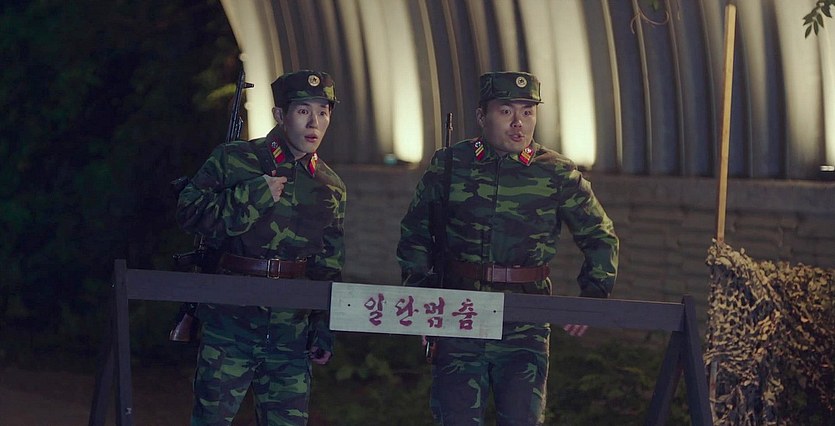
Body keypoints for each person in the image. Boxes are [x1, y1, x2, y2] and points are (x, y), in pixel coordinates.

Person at [396, 71, 619, 425]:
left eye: (528, 112)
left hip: (525, 321)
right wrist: (423, 298)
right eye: (506, 111)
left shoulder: (556, 173)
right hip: (459, 314)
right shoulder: (451, 164)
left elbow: (599, 234)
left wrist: (593, 293)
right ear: (481, 115)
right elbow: (416, 234)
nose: (519, 123)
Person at [176, 70, 346, 425]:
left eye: (323, 112)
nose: (314, 123)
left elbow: (328, 264)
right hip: (230, 322)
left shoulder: (330, 186)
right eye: (303, 111)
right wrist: (254, 194)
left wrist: (323, 326)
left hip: (290, 333)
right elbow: (189, 212)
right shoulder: (235, 159)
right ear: (280, 115)